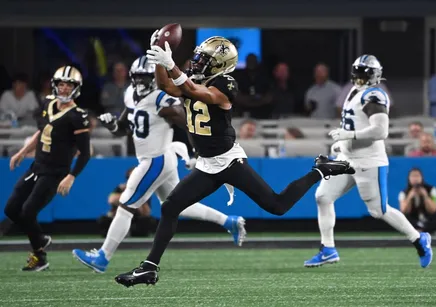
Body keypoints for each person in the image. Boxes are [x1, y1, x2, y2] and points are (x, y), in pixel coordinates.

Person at [112, 33, 354, 288]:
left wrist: (170, 63)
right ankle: (149, 268)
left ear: (219, 63)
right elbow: (167, 87)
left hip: (228, 162)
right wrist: (160, 58)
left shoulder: (226, 84)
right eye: (197, 57)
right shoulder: (192, 78)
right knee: (170, 207)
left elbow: (192, 90)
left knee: (277, 206)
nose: (196, 62)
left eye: (203, 59)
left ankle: (319, 169)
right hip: (206, 164)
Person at [72, 56, 247, 273]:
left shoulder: (162, 99)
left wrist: (197, 149)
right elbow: (124, 128)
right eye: (137, 77)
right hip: (156, 159)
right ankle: (228, 221)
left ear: (154, 77)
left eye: (146, 77)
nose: (141, 82)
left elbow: (188, 123)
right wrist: (112, 125)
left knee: (126, 204)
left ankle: (103, 257)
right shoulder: (130, 95)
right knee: (176, 204)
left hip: (156, 159)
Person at [303, 55, 433, 268]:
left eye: (365, 73)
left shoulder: (374, 95)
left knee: (378, 211)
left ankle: (419, 239)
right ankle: (328, 249)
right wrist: (342, 145)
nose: (360, 77)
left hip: (369, 161)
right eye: (358, 72)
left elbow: (380, 131)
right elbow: (353, 122)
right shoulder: (353, 91)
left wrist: (349, 136)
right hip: (347, 158)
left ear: (375, 75)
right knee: (323, 197)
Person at [4, 66, 91, 271]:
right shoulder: (48, 103)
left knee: (27, 212)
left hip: (55, 172)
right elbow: (42, 131)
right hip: (37, 166)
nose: (63, 89)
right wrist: (22, 152)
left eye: (68, 85)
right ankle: (40, 242)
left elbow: (85, 153)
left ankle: (39, 254)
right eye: (60, 84)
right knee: (11, 209)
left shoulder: (77, 115)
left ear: (76, 88)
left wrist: (71, 176)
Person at [399, 168, 436, 235]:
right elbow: (404, 211)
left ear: (422, 178)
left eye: (417, 176)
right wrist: (409, 197)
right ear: (408, 178)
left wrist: (425, 196)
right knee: (402, 220)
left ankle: (420, 230)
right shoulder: (403, 193)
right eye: (413, 176)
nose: (415, 179)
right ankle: (427, 230)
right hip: (415, 221)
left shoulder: (432, 190)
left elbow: (433, 210)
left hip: (429, 220)